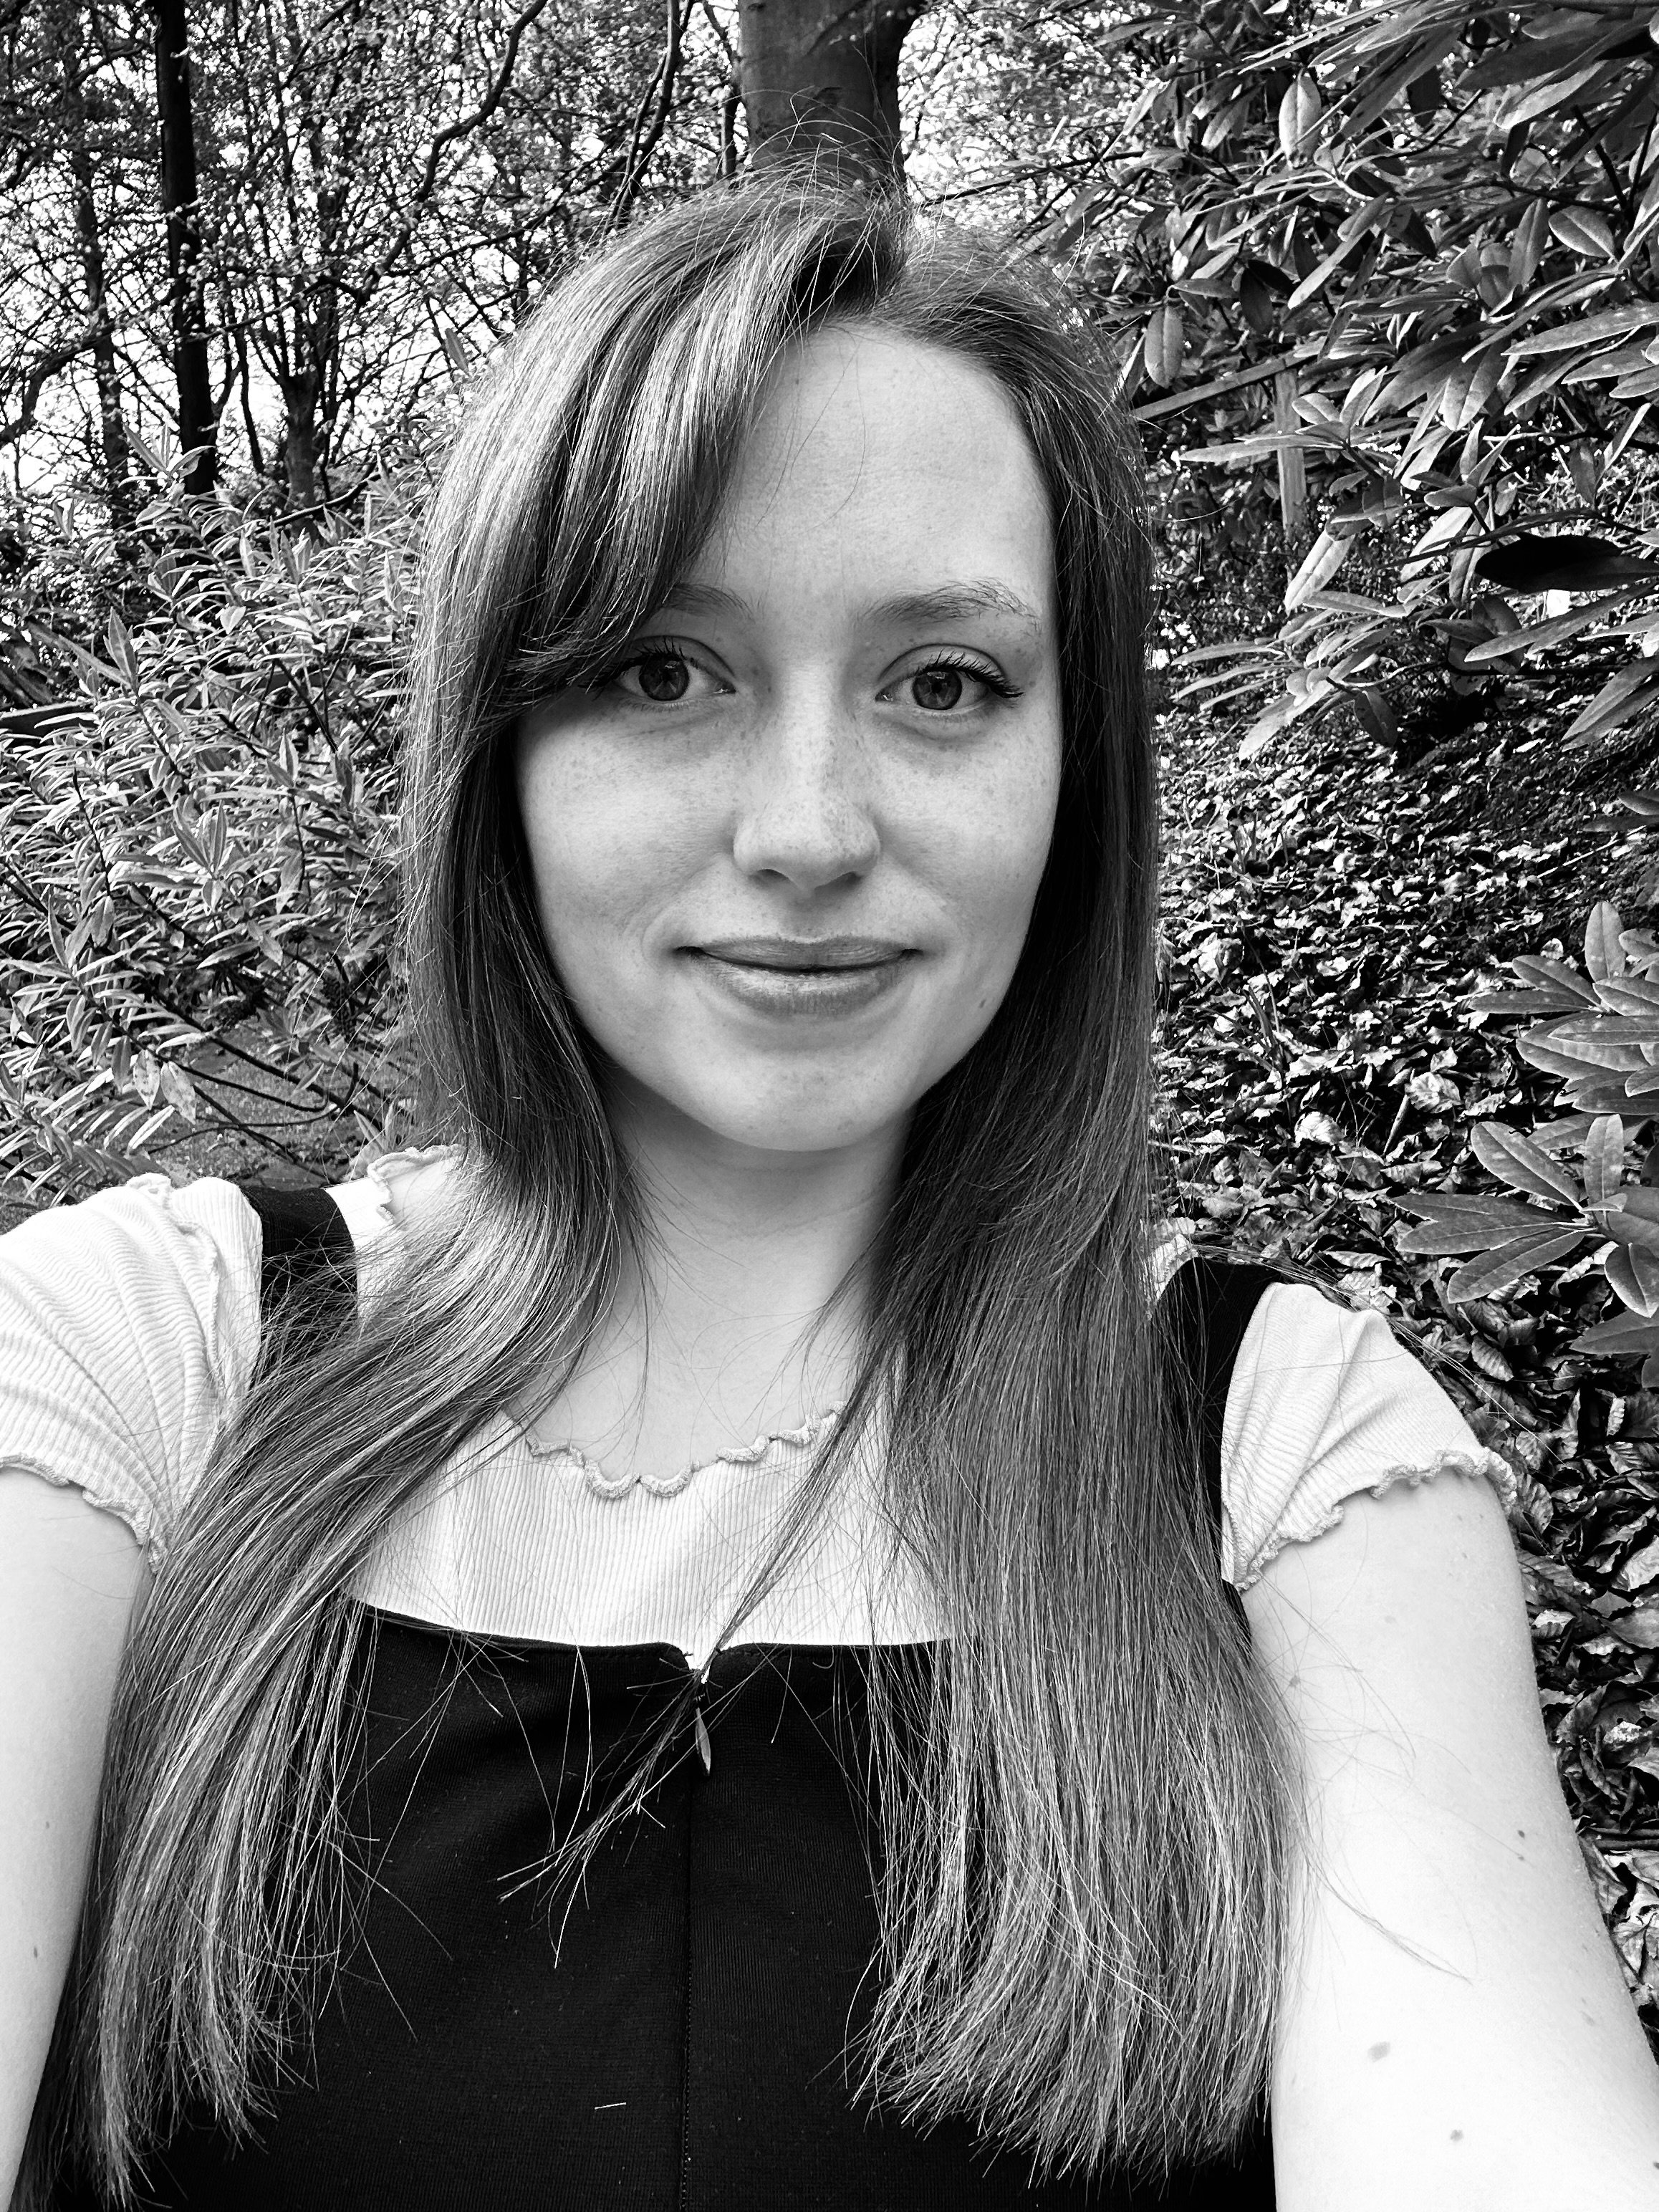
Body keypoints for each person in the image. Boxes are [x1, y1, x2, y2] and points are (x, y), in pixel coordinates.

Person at [4, 175, 1659, 2212]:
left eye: (943, 683)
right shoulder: (130, 1368)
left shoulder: (1290, 1459)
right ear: (496, 750)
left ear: (1078, 772)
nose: (805, 832)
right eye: (657, 673)